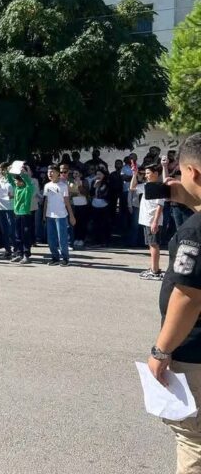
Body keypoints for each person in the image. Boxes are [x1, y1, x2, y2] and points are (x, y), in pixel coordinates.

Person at [146, 133, 201, 474]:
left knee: (192, 438)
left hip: (194, 351)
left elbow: (189, 296)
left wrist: (161, 350)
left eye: (181, 174)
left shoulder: (194, 233)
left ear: (193, 173)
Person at [130, 161, 165, 280]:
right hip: (146, 220)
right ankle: (153, 268)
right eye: (145, 173)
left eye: (148, 173)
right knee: (151, 244)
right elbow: (132, 187)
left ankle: (155, 271)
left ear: (156, 173)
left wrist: (155, 221)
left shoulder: (159, 187)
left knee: (154, 244)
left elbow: (160, 205)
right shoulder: (146, 186)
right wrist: (134, 174)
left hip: (152, 220)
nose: (146, 175)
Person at [43, 164, 76, 266]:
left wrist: (71, 216)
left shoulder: (63, 186)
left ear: (58, 173)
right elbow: (46, 201)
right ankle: (55, 257)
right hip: (50, 216)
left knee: (62, 238)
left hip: (61, 216)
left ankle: (65, 258)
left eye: (52, 172)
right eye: (49, 172)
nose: (50, 174)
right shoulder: (47, 186)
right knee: (51, 239)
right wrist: (44, 214)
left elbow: (67, 202)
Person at [7, 166, 35, 264]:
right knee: (17, 235)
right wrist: (9, 171)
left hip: (25, 214)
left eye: (17, 181)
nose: (15, 182)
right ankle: (19, 254)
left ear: (22, 181)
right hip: (17, 213)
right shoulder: (16, 188)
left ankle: (26, 255)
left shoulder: (27, 189)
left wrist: (23, 174)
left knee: (26, 235)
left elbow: (29, 183)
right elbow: (10, 180)